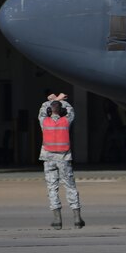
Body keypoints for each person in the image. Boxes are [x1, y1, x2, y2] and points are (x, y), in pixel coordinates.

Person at [39, 93, 85, 229]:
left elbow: (43, 108)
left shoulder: (44, 121)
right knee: (70, 186)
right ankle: (77, 218)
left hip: (48, 158)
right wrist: (60, 101)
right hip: (63, 158)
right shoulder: (66, 121)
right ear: (61, 110)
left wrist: (53, 100)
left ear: (49, 110)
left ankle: (57, 220)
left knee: (52, 188)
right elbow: (70, 109)